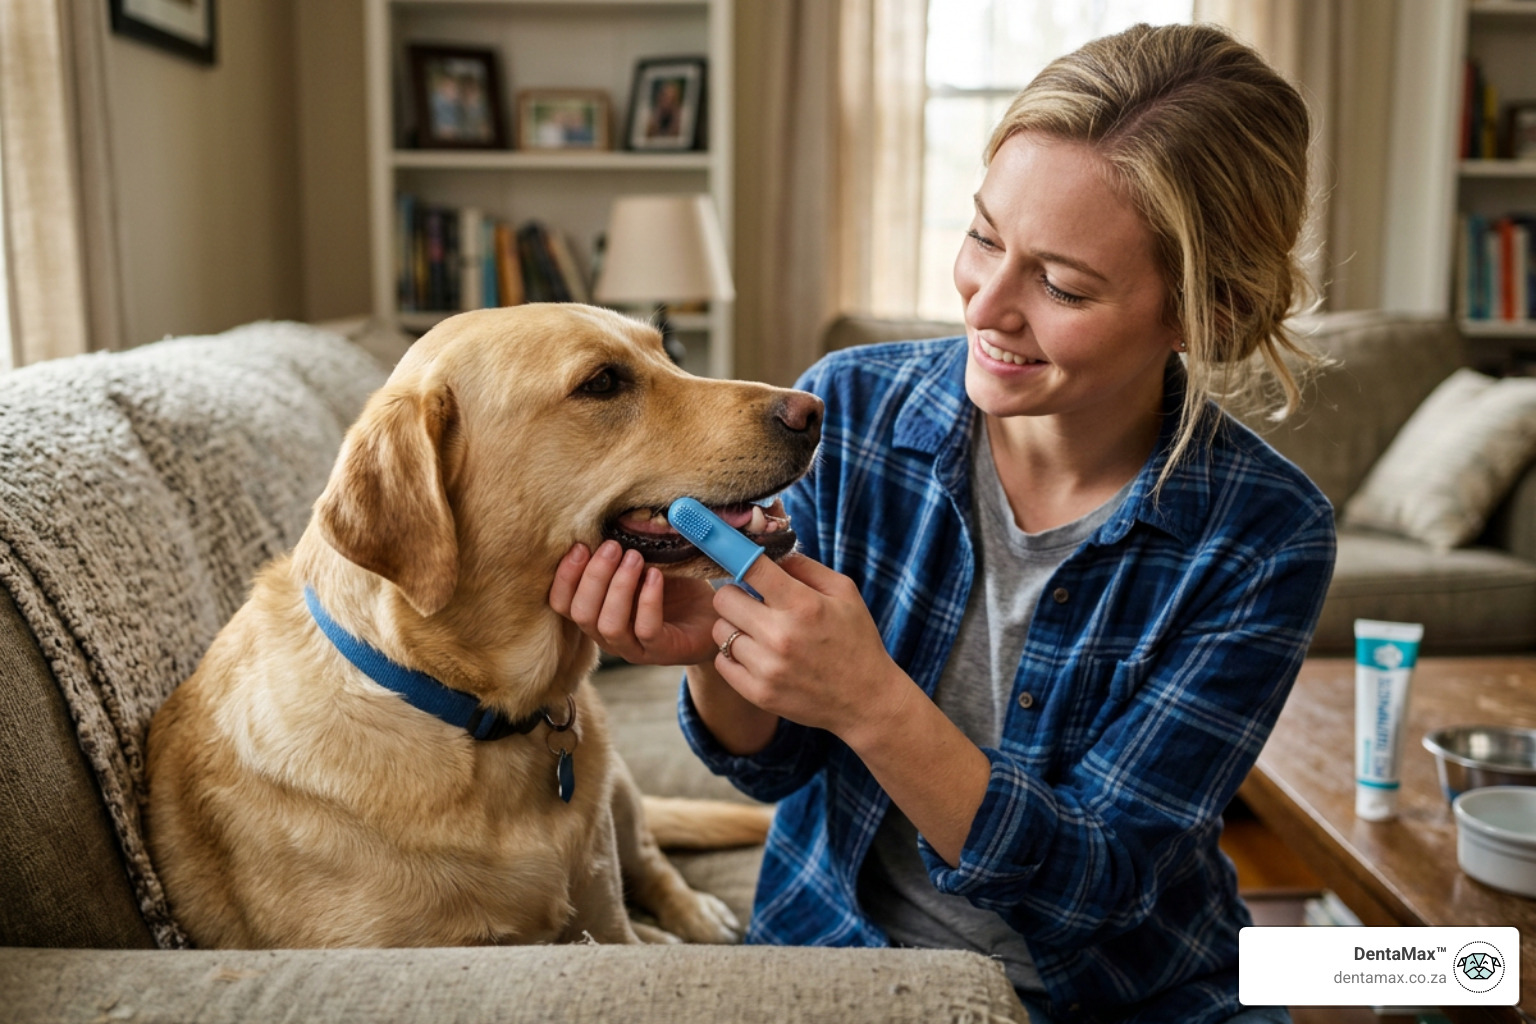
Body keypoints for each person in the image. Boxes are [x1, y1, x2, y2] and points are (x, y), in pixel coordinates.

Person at [550, 22, 1336, 1024]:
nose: (987, 304)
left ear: (1204, 313)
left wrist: (873, 700)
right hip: (846, 959)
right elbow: (773, 757)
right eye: (983, 237)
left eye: (1062, 284)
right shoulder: (852, 410)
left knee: (1458, 971)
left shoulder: (1265, 535)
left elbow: (1097, 887)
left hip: (1137, 990)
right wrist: (718, 643)